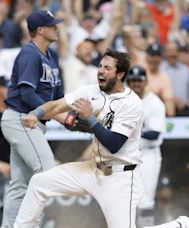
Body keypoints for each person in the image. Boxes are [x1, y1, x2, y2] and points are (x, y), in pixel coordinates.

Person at [16, 50, 144, 228]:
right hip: (92, 170)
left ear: (120, 74)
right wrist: (35, 113)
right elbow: (57, 105)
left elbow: (114, 144)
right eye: (100, 66)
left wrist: (90, 117)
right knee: (39, 183)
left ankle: (179, 225)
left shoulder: (131, 103)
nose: (101, 71)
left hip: (119, 177)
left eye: (107, 68)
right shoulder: (90, 91)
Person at [1, 10, 64, 228]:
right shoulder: (29, 54)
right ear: (40, 30)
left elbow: (59, 97)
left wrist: (69, 114)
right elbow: (27, 94)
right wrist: (58, 114)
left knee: (20, 185)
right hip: (20, 119)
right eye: (52, 25)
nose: (56, 28)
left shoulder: (52, 56)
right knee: (46, 173)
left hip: (34, 122)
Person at [126, 66, 166, 227]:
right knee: (126, 199)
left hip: (148, 155)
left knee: (146, 199)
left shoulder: (155, 103)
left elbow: (155, 134)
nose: (136, 84)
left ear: (146, 82)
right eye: (133, 81)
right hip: (128, 154)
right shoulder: (124, 100)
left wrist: (133, 130)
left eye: (139, 81)